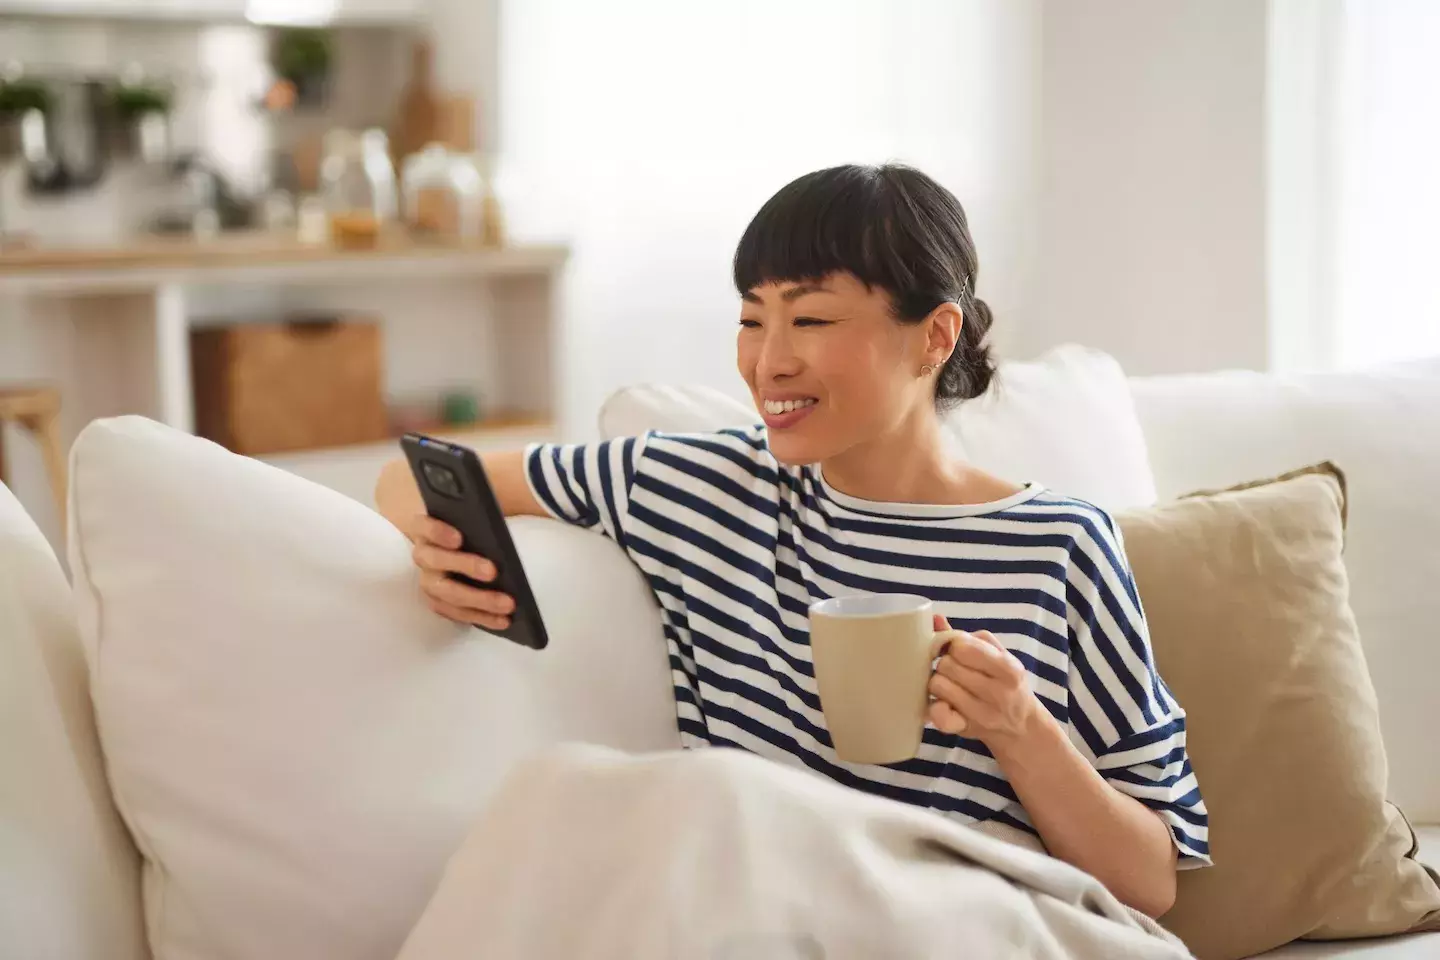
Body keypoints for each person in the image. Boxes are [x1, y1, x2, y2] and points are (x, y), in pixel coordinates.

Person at [375, 163, 1209, 917]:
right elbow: (416, 475)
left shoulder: (1058, 547)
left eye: (809, 318)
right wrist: (446, 544)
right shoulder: (698, 487)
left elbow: (1150, 881)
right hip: (754, 905)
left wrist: (1019, 726)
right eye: (751, 319)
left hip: (968, 920)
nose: (767, 362)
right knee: (563, 795)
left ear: (935, 337)